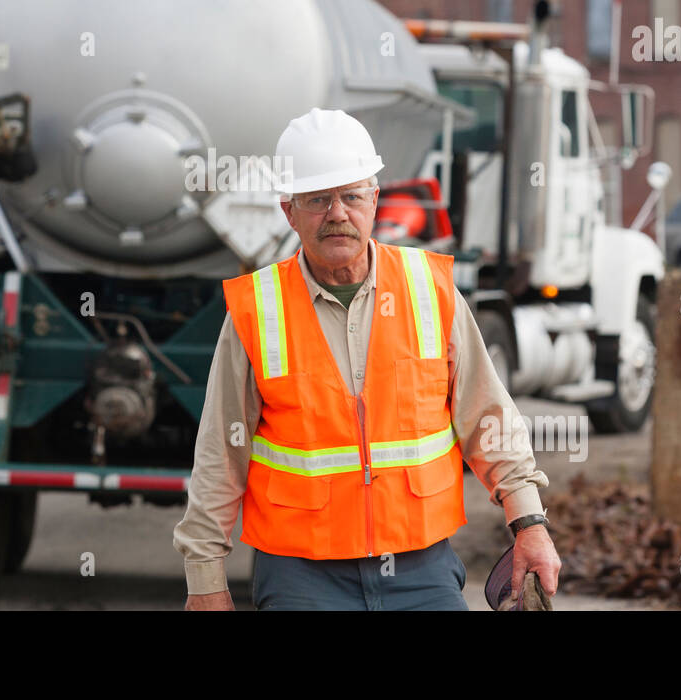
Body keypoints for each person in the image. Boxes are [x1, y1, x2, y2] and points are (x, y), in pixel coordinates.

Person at [173, 107, 560, 610]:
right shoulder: (258, 310)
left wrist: (529, 523)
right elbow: (221, 452)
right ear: (288, 211)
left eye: (351, 195)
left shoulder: (430, 291)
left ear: (374, 200)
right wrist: (205, 578)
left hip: (421, 570)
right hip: (300, 578)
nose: (337, 213)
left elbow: (489, 420)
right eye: (317, 199)